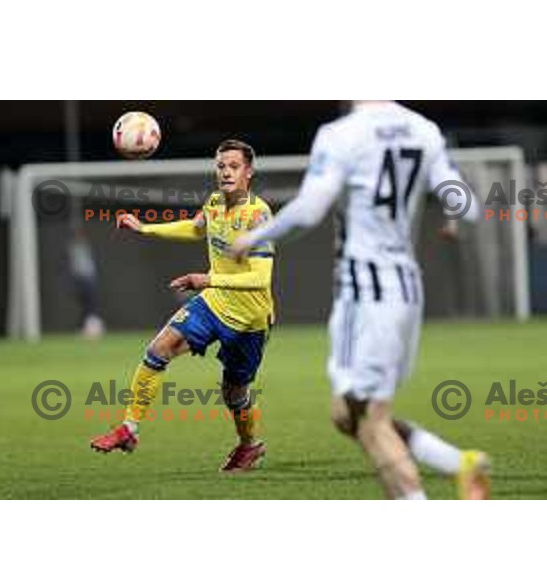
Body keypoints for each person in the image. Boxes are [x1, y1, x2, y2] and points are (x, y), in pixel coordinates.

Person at [232, 101, 490, 499]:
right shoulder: (423, 129)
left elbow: (308, 210)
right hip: (407, 288)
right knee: (347, 413)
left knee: (370, 419)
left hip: (366, 290)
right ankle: (459, 464)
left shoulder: (342, 135)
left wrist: (254, 237)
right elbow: (466, 206)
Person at [91, 139, 274, 472]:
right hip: (213, 304)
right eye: (221, 166)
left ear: (249, 172)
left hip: (250, 319)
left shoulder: (258, 215)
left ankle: (249, 446)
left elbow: (260, 279)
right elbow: (194, 227)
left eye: (234, 166)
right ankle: (128, 429)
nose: (226, 172)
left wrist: (207, 279)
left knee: (234, 394)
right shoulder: (216, 202)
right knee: (159, 348)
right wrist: (144, 228)